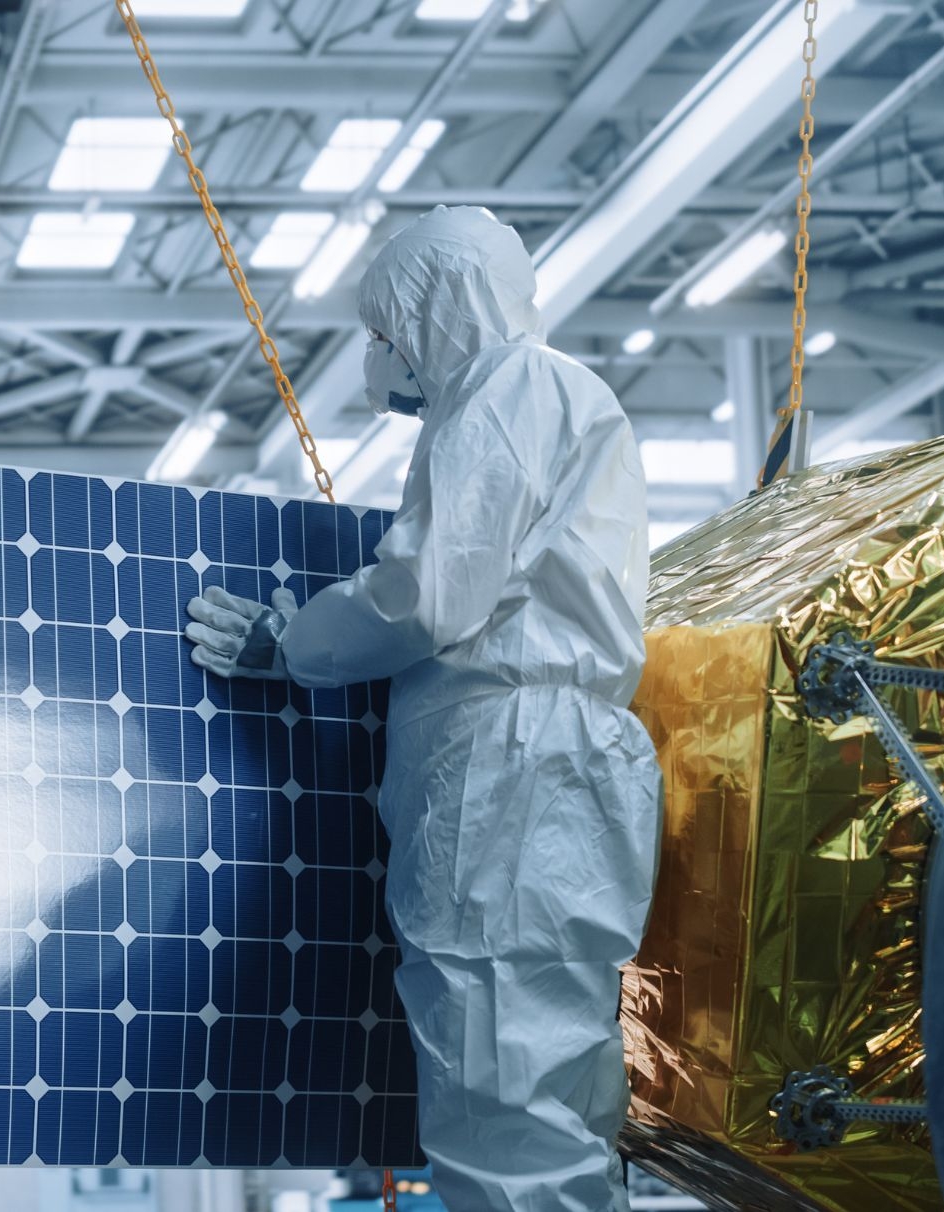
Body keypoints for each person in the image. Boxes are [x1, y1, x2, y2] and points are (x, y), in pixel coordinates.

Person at [185, 206, 660, 1211]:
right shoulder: (562, 399)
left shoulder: (504, 390)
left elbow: (427, 595)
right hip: (573, 765)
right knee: (556, 1078)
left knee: (499, 1083)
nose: (382, 355)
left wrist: (292, 644)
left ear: (430, 304)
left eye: (385, 328)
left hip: (507, 766)